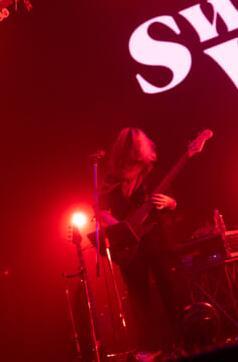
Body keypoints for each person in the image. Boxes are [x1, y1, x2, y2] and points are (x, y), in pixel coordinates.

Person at [97, 127, 180, 353]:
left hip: (156, 238)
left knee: (169, 290)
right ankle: (150, 348)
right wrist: (121, 227)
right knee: (138, 298)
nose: (133, 148)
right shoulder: (110, 178)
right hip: (127, 244)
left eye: (136, 144)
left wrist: (169, 202)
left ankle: (182, 338)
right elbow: (100, 210)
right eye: (129, 145)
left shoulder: (153, 172)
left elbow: (172, 201)